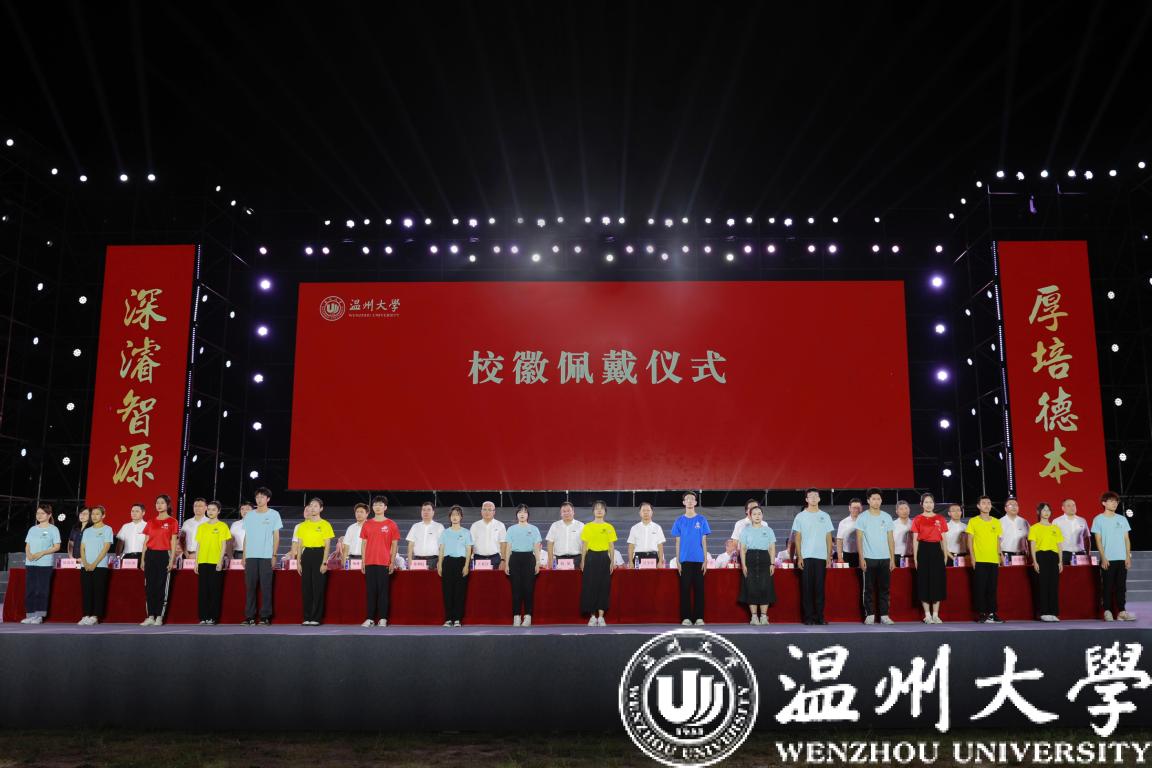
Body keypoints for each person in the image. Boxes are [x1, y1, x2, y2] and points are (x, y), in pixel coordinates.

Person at [241, 487, 283, 626]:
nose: (259, 499)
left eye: (262, 497)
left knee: (266, 587)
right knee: (250, 587)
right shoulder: (249, 515)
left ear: (268, 499)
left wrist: (274, 555)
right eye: (257, 497)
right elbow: (246, 536)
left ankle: (265, 616)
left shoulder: (274, 514)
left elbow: (276, 536)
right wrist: (244, 556)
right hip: (251, 556)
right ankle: (250, 617)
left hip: (266, 556)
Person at [792, 488, 834, 625]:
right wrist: (799, 556)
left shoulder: (825, 516)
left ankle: (819, 617)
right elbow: (797, 538)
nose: (814, 498)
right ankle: (808, 618)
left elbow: (828, 537)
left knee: (819, 589)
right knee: (807, 588)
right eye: (811, 496)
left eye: (816, 496)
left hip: (821, 557)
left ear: (819, 499)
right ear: (806, 499)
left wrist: (828, 556)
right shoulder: (800, 517)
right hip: (806, 557)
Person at [855, 489, 895, 626]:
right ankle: (870, 615)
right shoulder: (862, 517)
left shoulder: (887, 517)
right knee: (868, 589)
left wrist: (892, 559)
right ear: (868, 500)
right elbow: (859, 539)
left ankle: (884, 615)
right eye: (873, 499)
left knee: (885, 588)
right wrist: (861, 558)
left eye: (878, 499)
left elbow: (890, 539)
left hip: (885, 558)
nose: (876, 501)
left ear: (881, 500)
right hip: (868, 558)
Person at [1093, 491, 1135, 621]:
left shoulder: (1122, 519)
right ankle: (1107, 611)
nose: (1114, 503)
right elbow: (1098, 540)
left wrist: (1127, 556)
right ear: (1104, 503)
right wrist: (1103, 557)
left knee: (1121, 586)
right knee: (1107, 586)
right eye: (1111, 501)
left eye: (1116, 501)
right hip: (1108, 559)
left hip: (1122, 558)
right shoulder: (1098, 519)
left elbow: (1126, 539)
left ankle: (1122, 611)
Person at [671, 491, 711, 626]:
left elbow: (704, 541)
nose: (689, 501)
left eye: (692, 499)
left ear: (695, 502)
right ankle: (686, 618)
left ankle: (699, 617)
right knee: (685, 589)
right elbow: (677, 542)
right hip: (684, 560)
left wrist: (705, 560)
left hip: (699, 560)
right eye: (687, 499)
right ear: (683, 502)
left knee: (700, 589)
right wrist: (678, 560)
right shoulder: (679, 521)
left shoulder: (702, 519)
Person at [360, 495, 400, 627]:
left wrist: (392, 561)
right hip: (369, 562)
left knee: (383, 592)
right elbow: (364, 544)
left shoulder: (391, 524)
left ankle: (383, 618)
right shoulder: (367, 524)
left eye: (380, 505)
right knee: (370, 592)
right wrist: (363, 561)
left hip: (384, 562)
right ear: (372, 507)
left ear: (385, 507)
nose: (378, 507)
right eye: (375, 505)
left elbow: (394, 544)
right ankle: (370, 618)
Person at [295, 497, 334, 625]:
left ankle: (316, 618)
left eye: (316, 506)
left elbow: (327, 546)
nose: (312, 508)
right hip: (306, 554)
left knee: (318, 588)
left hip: (319, 554)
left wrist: (324, 562)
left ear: (321, 509)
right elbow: (299, 545)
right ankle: (307, 617)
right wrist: (298, 562)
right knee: (306, 587)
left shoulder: (325, 524)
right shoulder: (303, 526)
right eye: (311, 505)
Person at [140, 495, 179, 626]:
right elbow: (146, 541)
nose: (159, 505)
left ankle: (159, 616)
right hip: (150, 555)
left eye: (162, 503)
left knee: (161, 586)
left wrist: (171, 560)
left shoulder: (173, 522)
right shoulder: (151, 522)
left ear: (167, 505)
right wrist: (143, 559)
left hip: (164, 555)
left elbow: (173, 542)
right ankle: (150, 616)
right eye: (157, 503)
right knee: (149, 586)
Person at [911, 492, 949, 624]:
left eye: (931, 502)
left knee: (937, 581)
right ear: (921, 504)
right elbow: (915, 540)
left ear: (934, 504)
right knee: (924, 582)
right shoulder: (917, 519)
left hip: (936, 550)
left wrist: (945, 554)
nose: (929, 504)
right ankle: (927, 615)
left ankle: (936, 615)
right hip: (923, 550)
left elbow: (943, 539)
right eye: (926, 502)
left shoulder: (940, 518)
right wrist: (915, 557)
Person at [966, 496, 1004, 624]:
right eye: (983, 503)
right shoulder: (973, 521)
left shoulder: (996, 522)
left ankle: (992, 613)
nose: (987, 505)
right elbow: (969, 541)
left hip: (993, 559)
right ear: (978, 506)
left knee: (992, 588)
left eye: (988, 503)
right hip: (979, 559)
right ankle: (982, 614)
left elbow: (998, 540)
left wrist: (1000, 555)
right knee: (980, 588)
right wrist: (972, 558)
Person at [21, 504, 60, 624]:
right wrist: (29, 554)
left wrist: (41, 553)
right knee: (30, 590)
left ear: (49, 515)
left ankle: (39, 615)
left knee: (41, 590)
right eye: (38, 513)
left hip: (45, 564)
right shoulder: (32, 529)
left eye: (42, 513)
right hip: (30, 563)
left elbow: (57, 546)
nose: (39, 515)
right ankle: (30, 614)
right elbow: (27, 545)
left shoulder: (53, 529)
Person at [579, 500, 617, 626]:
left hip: (604, 558)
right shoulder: (587, 527)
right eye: (597, 508)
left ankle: (601, 617)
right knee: (590, 586)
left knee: (603, 587)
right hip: (590, 557)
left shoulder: (609, 527)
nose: (599, 510)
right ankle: (592, 616)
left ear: (605, 511)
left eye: (601, 508)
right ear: (593, 511)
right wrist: (583, 560)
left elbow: (611, 546)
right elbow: (584, 546)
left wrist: (612, 562)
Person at [504, 504, 542, 626]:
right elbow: (508, 547)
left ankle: (528, 616)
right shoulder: (511, 529)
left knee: (528, 588)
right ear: (516, 515)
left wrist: (538, 562)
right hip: (514, 559)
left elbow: (536, 547)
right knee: (516, 589)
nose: (522, 514)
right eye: (520, 512)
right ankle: (516, 616)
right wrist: (506, 564)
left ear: (527, 515)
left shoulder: (534, 529)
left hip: (529, 559)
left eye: (524, 512)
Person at [194, 501, 232, 625]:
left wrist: (220, 561)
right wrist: (196, 562)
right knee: (203, 591)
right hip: (203, 561)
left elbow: (224, 545)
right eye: (209, 509)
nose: (210, 512)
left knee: (215, 591)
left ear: (219, 511)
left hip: (215, 562)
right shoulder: (202, 527)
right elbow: (198, 545)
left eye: (213, 509)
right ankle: (203, 617)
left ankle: (213, 617)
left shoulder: (223, 526)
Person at [738, 506, 776, 625]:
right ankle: (754, 617)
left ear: (762, 515)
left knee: (765, 587)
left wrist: (772, 563)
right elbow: (742, 549)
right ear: (750, 516)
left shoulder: (768, 530)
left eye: (759, 514)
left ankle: (764, 616)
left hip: (765, 559)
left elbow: (772, 548)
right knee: (751, 587)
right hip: (750, 559)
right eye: (754, 514)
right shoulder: (745, 530)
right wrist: (743, 565)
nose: (757, 516)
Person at [78, 505, 114, 626]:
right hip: (85, 566)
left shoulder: (107, 529)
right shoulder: (87, 531)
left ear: (103, 516)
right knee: (86, 590)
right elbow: (82, 548)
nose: (94, 516)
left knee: (99, 591)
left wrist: (94, 563)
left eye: (97, 514)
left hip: (100, 566)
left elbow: (106, 548)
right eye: (92, 514)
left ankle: (95, 616)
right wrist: (85, 563)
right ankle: (86, 615)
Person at [1028, 502, 1064, 622]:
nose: (1046, 512)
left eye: (1048, 510)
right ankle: (1044, 612)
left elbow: (1059, 546)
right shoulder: (1034, 528)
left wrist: (1060, 561)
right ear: (1039, 512)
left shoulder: (1056, 528)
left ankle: (1053, 612)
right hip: (1041, 556)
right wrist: (1035, 561)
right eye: (1044, 510)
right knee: (1042, 585)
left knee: (1053, 585)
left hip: (1054, 557)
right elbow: (1032, 546)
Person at [437, 505, 472, 627]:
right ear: (450, 517)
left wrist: (466, 565)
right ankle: (448, 619)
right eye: (452, 515)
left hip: (461, 562)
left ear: (461, 517)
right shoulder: (445, 533)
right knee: (447, 591)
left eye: (457, 515)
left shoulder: (466, 532)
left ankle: (457, 619)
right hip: (447, 562)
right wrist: (440, 565)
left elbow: (468, 550)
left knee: (460, 592)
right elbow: (441, 549)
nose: (455, 517)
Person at [406, 501, 445, 570]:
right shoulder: (415, 526)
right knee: (417, 577)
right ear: (421, 512)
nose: (426, 512)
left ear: (433, 512)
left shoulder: (439, 526)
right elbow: (410, 545)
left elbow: (442, 546)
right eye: (423, 510)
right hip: (418, 561)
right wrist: (409, 561)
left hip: (434, 560)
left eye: (428, 510)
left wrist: (440, 562)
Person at [545, 502, 584, 569]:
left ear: (573, 512)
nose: (566, 513)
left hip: (577, 559)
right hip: (559, 559)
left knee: (576, 576)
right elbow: (550, 543)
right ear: (561, 513)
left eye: (568, 511)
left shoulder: (581, 525)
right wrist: (550, 560)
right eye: (564, 511)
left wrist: (583, 561)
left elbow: (584, 544)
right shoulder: (555, 525)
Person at [626, 502, 665, 567]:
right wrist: (630, 562)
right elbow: (631, 546)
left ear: (652, 512)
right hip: (638, 557)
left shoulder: (657, 527)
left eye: (648, 510)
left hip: (653, 557)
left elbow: (660, 546)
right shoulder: (634, 528)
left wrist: (660, 561)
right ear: (640, 513)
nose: (646, 512)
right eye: (643, 510)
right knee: (638, 574)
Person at [1053, 498, 1090, 566]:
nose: (1072, 507)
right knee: (1064, 572)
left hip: (1080, 553)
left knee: (1082, 572)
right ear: (1063, 508)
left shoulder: (1082, 520)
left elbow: (1087, 538)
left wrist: (1088, 554)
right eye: (1068, 505)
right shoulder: (1057, 521)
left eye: (1073, 505)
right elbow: (1053, 540)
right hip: (1064, 554)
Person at [836, 498, 863, 569]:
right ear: (849, 508)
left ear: (861, 508)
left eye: (858, 508)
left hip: (863, 554)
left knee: (862, 574)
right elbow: (839, 540)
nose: (856, 510)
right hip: (847, 555)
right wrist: (840, 557)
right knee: (848, 574)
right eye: (854, 508)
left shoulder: (865, 521)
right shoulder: (843, 522)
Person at [999, 497, 1030, 561]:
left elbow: (1029, 539)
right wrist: (1001, 557)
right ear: (1005, 508)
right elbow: (997, 542)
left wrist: (1030, 555)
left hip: (1022, 555)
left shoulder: (1024, 522)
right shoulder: (1000, 522)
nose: (1014, 507)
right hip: (1006, 555)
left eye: (1016, 505)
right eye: (1010, 505)